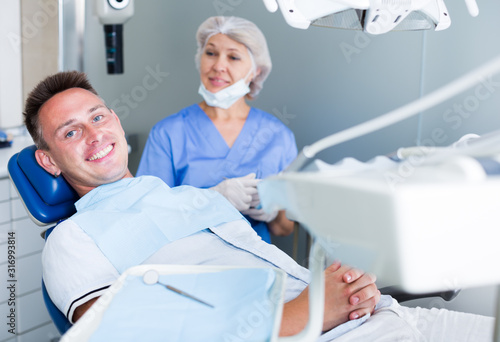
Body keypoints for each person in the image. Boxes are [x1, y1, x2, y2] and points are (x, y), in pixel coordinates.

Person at [25, 71, 493, 341]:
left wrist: (347, 281)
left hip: (379, 315)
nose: (94, 135)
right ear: (47, 160)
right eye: (70, 132)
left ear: (115, 119)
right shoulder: (72, 239)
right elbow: (122, 333)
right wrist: (302, 315)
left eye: (98, 116)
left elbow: (277, 263)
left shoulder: (188, 199)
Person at [136, 16, 296, 243]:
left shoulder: (278, 137)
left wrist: (272, 211)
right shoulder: (169, 133)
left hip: (256, 269)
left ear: (256, 71)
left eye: (233, 57)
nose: (218, 66)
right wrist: (209, 199)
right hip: (187, 265)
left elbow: (284, 229)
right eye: (210, 53)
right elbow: (148, 218)